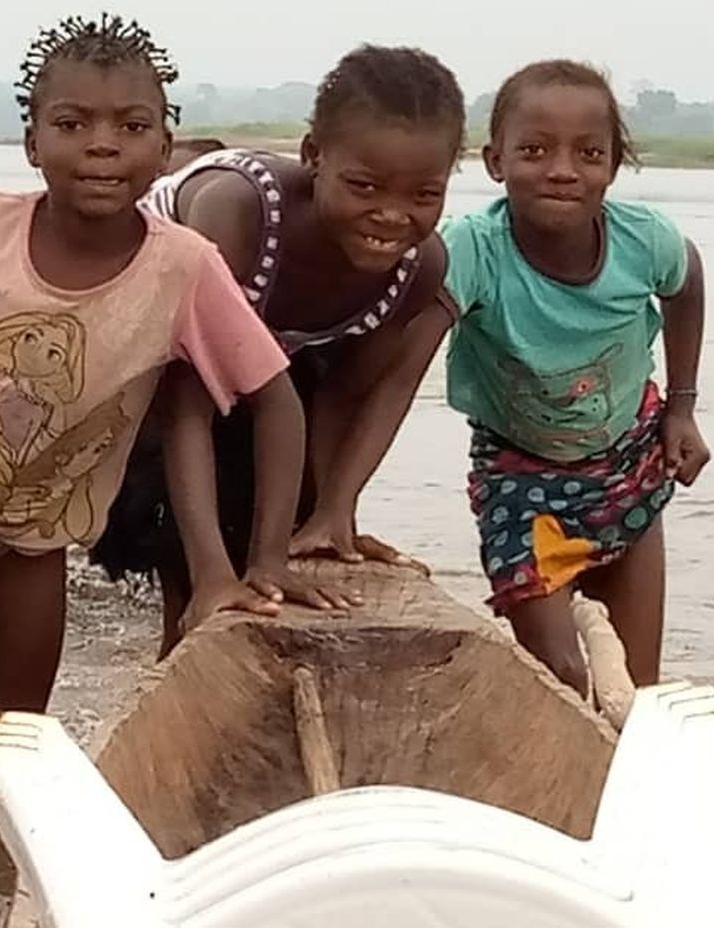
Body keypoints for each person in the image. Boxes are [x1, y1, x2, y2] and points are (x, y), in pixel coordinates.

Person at [0, 14, 303, 799]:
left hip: (35, 541)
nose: (102, 146)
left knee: (15, 753)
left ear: (165, 147)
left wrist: (264, 564)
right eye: (72, 123)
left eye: (131, 126)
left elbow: (276, 402)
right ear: (32, 142)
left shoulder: (184, 270)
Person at [91, 44, 467, 656]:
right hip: (141, 361)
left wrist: (330, 513)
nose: (391, 215)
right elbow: (186, 404)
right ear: (314, 155)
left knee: (276, 537)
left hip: (269, 372)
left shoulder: (418, 266)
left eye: (424, 196)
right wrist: (214, 574)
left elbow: (345, 392)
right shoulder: (237, 214)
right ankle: (183, 635)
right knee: (192, 570)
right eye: (365, 186)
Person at [441, 60, 710, 697]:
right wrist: (338, 503)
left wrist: (682, 407)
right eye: (535, 150)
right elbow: (399, 358)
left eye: (589, 153)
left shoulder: (643, 242)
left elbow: (688, 281)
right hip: (520, 481)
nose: (563, 170)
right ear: (495, 162)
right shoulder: (473, 251)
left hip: (627, 468)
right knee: (560, 677)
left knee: (635, 691)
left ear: (613, 167)